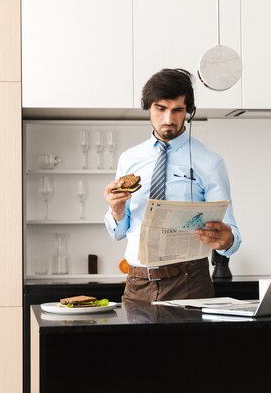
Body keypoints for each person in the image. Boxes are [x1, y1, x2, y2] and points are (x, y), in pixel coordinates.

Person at [103, 68, 241, 304]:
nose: (169, 119)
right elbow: (118, 232)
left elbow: (232, 236)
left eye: (177, 110)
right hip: (137, 283)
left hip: (190, 281)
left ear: (189, 111)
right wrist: (115, 212)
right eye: (161, 109)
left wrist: (226, 240)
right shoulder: (129, 159)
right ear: (148, 108)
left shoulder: (210, 162)